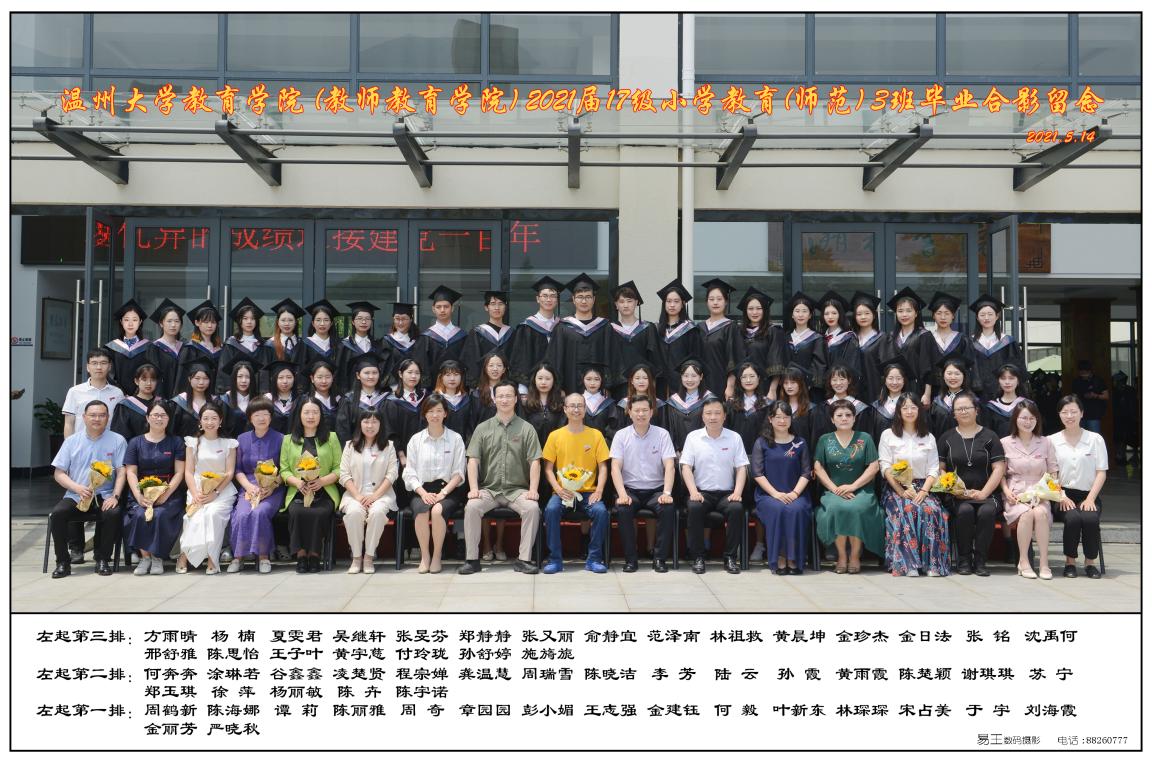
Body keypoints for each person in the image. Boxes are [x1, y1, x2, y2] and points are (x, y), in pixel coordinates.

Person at [457, 380, 542, 575]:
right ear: (494, 399)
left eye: (509, 396)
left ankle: (524, 559)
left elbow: (535, 462)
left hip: (517, 490)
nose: (504, 400)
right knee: (472, 507)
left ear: (516, 399)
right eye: (501, 396)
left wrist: (533, 490)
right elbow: (473, 460)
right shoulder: (483, 428)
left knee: (532, 508)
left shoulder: (526, 428)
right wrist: (474, 488)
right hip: (489, 489)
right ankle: (472, 560)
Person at [48, 400, 127, 578]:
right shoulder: (71, 442)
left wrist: (115, 496)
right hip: (76, 495)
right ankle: (63, 562)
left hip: (104, 494)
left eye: (101, 415)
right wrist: (76, 487)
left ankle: (102, 559)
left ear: (108, 417)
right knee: (58, 514)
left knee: (113, 513)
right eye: (93, 415)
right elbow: (59, 473)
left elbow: (122, 472)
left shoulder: (118, 440)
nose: (97, 419)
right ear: (84, 417)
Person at [540, 392, 612, 574]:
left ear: (585, 409)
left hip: (588, 492)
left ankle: (594, 558)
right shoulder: (555, 436)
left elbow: (603, 467)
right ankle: (555, 560)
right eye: (572, 406)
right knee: (551, 510)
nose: (576, 409)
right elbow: (548, 468)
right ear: (565, 409)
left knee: (601, 511)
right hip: (562, 492)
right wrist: (558, 489)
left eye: (580, 406)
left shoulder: (595, 435)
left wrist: (599, 491)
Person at [878, 393, 948, 577]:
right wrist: (901, 491)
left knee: (931, 510)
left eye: (913, 407)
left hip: (923, 486)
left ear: (919, 410)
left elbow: (933, 468)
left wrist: (924, 490)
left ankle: (933, 564)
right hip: (895, 487)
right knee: (908, 509)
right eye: (905, 408)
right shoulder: (888, 435)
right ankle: (907, 564)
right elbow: (885, 467)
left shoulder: (928, 437)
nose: (909, 411)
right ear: (898, 411)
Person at [937, 391, 1006, 577]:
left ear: (976, 410)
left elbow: (999, 468)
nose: (963, 412)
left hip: (987, 494)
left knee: (987, 511)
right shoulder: (946, 438)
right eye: (959, 409)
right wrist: (955, 489)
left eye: (967, 408)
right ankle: (964, 559)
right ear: (953, 414)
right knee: (965, 511)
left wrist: (983, 493)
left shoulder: (990, 436)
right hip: (957, 495)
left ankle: (981, 560)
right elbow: (940, 468)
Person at [812, 399, 884, 574]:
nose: (844, 418)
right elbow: (818, 467)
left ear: (854, 418)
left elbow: (874, 467)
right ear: (832, 419)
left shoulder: (864, 438)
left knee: (857, 508)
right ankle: (842, 556)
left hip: (861, 490)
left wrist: (853, 486)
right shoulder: (825, 440)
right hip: (833, 490)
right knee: (837, 508)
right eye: (839, 415)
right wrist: (834, 488)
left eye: (848, 415)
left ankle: (855, 556)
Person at [682, 397, 750, 574]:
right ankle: (698, 556)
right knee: (694, 508)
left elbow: (741, 468)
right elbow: (686, 467)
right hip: (701, 492)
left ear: (724, 416)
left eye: (717, 413)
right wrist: (693, 492)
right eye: (709, 413)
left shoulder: (734, 437)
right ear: (702, 416)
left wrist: (737, 492)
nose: (713, 417)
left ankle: (730, 557)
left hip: (726, 493)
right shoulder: (693, 437)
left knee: (736, 508)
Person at [611, 393, 677, 573]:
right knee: (623, 508)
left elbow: (670, 466)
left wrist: (667, 493)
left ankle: (660, 559)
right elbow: (615, 467)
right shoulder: (621, 435)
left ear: (651, 412)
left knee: (667, 508)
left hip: (656, 490)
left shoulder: (662, 434)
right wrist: (622, 494)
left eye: (644, 410)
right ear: (629, 412)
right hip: (630, 489)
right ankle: (631, 559)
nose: (641, 414)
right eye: (637, 410)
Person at [403, 394, 468, 574]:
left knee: (438, 511)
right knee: (422, 511)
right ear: (424, 414)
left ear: (445, 413)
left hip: (448, 490)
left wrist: (443, 494)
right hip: (422, 490)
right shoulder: (416, 440)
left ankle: (437, 555)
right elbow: (409, 472)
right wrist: (423, 493)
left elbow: (459, 473)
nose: (435, 415)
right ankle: (425, 556)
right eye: (430, 411)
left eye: (439, 411)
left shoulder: (455, 439)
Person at [280, 397, 343, 574]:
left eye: (315, 412)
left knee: (319, 513)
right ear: (299, 415)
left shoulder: (331, 438)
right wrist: (298, 482)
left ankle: (315, 555)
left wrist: (322, 481)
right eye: (306, 412)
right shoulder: (288, 440)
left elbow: (339, 468)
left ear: (321, 415)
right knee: (296, 512)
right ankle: (301, 555)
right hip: (298, 491)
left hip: (324, 491)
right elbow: (284, 470)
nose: (311, 416)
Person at [123, 399, 185, 576]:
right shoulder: (135, 443)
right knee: (139, 514)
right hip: (141, 492)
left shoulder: (176, 442)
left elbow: (179, 472)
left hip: (169, 493)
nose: (159, 418)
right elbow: (131, 472)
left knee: (160, 514)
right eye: (155, 415)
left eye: (163, 415)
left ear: (169, 419)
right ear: (147, 417)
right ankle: (145, 558)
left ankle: (157, 557)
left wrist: (166, 494)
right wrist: (138, 495)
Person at [1051, 395, 1109, 579]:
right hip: (1062, 494)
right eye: (1065, 412)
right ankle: (1070, 562)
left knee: (1090, 519)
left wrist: (1091, 498)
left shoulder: (1095, 439)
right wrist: (1061, 496)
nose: (1069, 416)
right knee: (1073, 518)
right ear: (1059, 414)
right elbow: (1051, 475)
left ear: (1082, 413)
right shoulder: (1051, 440)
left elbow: (1101, 472)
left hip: (1088, 494)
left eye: (1073, 412)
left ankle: (1090, 563)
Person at [751, 400, 812, 575]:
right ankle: (779, 557)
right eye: (778, 417)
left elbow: (806, 472)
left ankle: (794, 558)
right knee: (778, 509)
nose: (782, 421)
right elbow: (757, 473)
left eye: (786, 417)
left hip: (796, 494)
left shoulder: (800, 443)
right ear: (770, 419)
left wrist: (795, 493)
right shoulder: (762, 443)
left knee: (795, 510)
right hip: (768, 495)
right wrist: (776, 494)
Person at [1000, 401, 1059, 580]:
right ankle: (1023, 561)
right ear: (1015, 419)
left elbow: (1053, 472)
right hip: (1015, 493)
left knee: (1040, 513)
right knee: (1026, 514)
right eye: (1023, 418)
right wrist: (1006, 491)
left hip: (1040, 492)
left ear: (1037, 420)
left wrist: (1046, 492)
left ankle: (1044, 563)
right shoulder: (1005, 443)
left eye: (1032, 418)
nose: (1028, 422)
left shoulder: (1046, 442)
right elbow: (1000, 473)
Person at [177, 402, 237, 576]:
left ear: (220, 421)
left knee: (212, 514)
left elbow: (229, 472)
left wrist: (216, 493)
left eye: (214, 418)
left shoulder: (229, 444)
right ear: (200, 421)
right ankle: (184, 555)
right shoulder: (193, 442)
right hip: (197, 489)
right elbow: (188, 472)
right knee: (194, 517)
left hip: (222, 491)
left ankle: (212, 557)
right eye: (206, 418)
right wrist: (195, 493)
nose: (210, 422)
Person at [227, 400, 286, 574]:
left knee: (260, 513)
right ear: (250, 418)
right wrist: (248, 486)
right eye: (257, 415)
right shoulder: (242, 439)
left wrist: (272, 486)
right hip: (249, 486)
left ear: (271, 417)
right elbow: (238, 469)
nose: (261, 418)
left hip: (273, 488)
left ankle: (263, 556)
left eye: (265, 414)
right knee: (241, 514)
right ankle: (238, 556)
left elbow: (285, 469)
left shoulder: (281, 439)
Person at [338, 409, 399, 574]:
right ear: (360, 424)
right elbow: (344, 475)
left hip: (381, 495)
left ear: (380, 424)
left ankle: (369, 557)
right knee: (353, 513)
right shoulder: (350, 446)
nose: (370, 426)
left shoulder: (388, 446)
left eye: (374, 422)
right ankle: (356, 557)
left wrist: (374, 496)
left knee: (377, 513)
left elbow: (392, 474)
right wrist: (358, 496)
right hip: (355, 495)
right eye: (366, 421)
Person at [727, 361, 770, 563]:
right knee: (736, 504)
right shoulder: (731, 404)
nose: (748, 380)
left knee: (758, 503)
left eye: (752, 376)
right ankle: (735, 545)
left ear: (759, 379)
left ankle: (760, 544)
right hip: (734, 462)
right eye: (744, 376)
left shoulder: (767, 405)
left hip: (760, 461)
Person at [546, 273, 614, 396]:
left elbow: (611, 357)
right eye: (580, 297)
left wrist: (608, 385)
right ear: (573, 299)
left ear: (594, 299)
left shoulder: (604, 327)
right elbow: (555, 360)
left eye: (588, 297)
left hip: (599, 391)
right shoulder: (562, 327)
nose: (584, 301)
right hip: (569, 388)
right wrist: (559, 387)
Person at [507, 276, 562, 392]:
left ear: (557, 300)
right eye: (545, 296)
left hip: (558, 388)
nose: (549, 299)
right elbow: (521, 360)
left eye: (553, 296)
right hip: (532, 388)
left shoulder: (562, 327)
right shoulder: (527, 327)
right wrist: (523, 388)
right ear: (537, 299)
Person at [608, 280, 661, 399]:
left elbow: (654, 358)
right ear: (616, 305)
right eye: (621, 301)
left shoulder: (648, 328)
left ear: (636, 303)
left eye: (629, 301)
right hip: (618, 384)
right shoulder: (610, 329)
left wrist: (650, 381)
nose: (625, 305)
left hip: (643, 384)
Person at [920, 292, 972, 407]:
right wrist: (927, 394)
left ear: (953, 315)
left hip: (958, 390)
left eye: (947, 313)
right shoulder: (927, 337)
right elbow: (925, 367)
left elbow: (967, 369)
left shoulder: (962, 339)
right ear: (933, 316)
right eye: (939, 313)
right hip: (934, 390)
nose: (943, 317)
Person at [968, 294, 1025, 400]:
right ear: (977, 317)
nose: (986, 318)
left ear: (997, 316)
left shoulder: (1007, 342)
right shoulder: (970, 342)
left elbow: (1017, 368)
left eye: (990, 314)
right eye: (982, 314)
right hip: (976, 395)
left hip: (1003, 394)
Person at [876, 287, 928, 398]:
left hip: (917, 388)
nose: (904, 315)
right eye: (900, 311)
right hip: (894, 388)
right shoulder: (890, 337)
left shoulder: (924, 335)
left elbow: (927, 367)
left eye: (909, 311)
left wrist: (927, 394)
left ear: (916, 313)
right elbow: (886, 367)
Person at [413, 285, 468, 389]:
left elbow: (466, 364)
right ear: (433, 309)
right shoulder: (425, 337)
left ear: (452, 308)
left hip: (458, 389)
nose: (442, 310)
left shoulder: (462, 336)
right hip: (433, 389)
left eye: (446, 306)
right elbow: (422, 365)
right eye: (438, 307)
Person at [62, 349, 125, 439]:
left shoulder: (117, 393)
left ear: (109, 366)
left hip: (108, 443)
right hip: (81, 444)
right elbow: (69, 423)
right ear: (88, 367)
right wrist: (69, 445)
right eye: (94, 363)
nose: (99, 367)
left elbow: (120, 423)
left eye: (103, 363)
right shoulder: (75, 391)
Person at [654, 280, 701, 397]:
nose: (672, 305)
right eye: (668, 301)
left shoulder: (690, 329)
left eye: (676, 301)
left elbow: (696, 357)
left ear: (683, 303)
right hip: (659, 384)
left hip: (683, 383)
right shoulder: (656, 329)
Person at [697, 277, 742, 400]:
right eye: (711, 299)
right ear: (706, 302)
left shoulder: (731, 327)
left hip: (722, 383)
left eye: (719, 299)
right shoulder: (700, 327)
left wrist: (730, 386)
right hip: (700, 384)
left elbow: (734, 358)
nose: (715, 302)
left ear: (726, 302)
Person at [737, 286, 785, 398]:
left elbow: (776, 362)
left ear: (765, 310)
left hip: (764, 386)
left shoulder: (773, 331)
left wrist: (772, 390)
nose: (754, 312)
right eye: (750, 308)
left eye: (759, 308)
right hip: (740, 386)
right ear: (745, 311)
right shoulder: (738, 331)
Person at [460, 290, 513, 389]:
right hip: (483, 387)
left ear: (505, 306)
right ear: (486, 307)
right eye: (493, 304)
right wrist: (476, 385)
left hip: (507, 387)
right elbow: (471, 361)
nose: (497, 307)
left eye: (501, 304)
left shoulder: (512, 333)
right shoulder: (477, 333)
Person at [335, 352, 390, 446]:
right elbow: (343, 431)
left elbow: (390, 429)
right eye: (366, 373)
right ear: (358, 375)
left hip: (382, 449)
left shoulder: (386, 399)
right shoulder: (348, 400)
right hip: (356, 449)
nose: (371, 376)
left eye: (375, 373)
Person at [104, 298, 156, 397]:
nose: (130, 324)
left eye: (135, 320)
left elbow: (151, 372)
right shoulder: (112, 348)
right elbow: (110, 374)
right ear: (121, 321)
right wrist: (122, 393)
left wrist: (138, 394)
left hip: (143, 396)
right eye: (126, 319)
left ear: (140, 322)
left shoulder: (149, 347)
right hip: (117, 396)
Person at [810, 365, 871, 444]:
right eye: (834, 380)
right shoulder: (822, 409)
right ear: (830, 382)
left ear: (849, 381)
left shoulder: (860, 408)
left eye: (842, 379)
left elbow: (863, 436)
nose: (838, 383)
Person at [663, 359, 714, 455]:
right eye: (686, 376)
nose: (689, 380)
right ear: (681, 377)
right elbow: (670, 427)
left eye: (694, 376)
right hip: (679, 454)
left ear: (701, 377)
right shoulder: (674, 401)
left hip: (704, 452)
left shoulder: (710, 400)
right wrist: (675, 449)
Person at [782, 291, 827, 400]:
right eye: (797, 311)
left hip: (809, 389)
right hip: (788, 387)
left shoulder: (817, 338)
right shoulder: (785, 337)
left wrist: (807, 383)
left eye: (804, 311)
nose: (800, 315)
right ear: (792, 315)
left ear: (810, 315)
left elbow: (819, 365)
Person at [215, 298, 265, 394]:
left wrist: (264, 392)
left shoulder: (262, 346)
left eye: (253, 318)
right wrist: (228, 392)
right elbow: (224, 371)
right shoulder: (231, 344)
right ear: (239, 321)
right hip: (235, 394)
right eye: (245, 318)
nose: (249, 322)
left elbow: (265, 372)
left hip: (257, 394)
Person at [175, 300, 223, 395]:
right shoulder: (190, 348)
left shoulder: (220, 349)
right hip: (196, 396)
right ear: (197, 323)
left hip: (216, 394)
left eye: (213, 322)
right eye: (206, 322)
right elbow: (182, 377)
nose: (210, 326)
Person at [258, 298, 304, 393]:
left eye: (290, 320)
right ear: (278, 322)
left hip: (299, 392)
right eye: (283, 320)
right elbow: (264, 371)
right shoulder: (270, 345)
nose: (287, 324)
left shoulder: (303, 344)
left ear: (296, 322)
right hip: (275, 393)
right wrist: (266, 393)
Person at [337, 301, 383, 394]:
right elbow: (340, 373)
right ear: (353, 321)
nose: (364, 322)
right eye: (359, 318)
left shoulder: (377, 345)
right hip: (351, 392)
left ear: (371, 321)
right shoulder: (344, 345)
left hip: (373, 393)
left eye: (367, 319)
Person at [296, 299, 341, 392]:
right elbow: (302, 371)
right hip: (311, 391)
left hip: (334, 391)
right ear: (313, 323)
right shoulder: (306, 343)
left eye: (326, 320)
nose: (322, 324)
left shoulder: (339, 345)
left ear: (331, 323)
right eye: (318, 320)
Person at [865, 356, 911, 445]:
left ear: (904, 380)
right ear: (885, 381)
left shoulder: (912, 405)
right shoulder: (876, 407)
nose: (894, 382)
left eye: (898, 378)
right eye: (890, 378)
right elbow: (871, 435)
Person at [110, 363, 160, 442]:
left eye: (153, 380)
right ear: (136, 381)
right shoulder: (125, 406)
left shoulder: (162, 404)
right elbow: (119, 436)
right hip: (133, 448)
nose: (149, 383)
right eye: (144, 379)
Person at [850, 291, 885, 405]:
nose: (863, 317)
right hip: (853, 392)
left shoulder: (883, 338)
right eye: (859, 314)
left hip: (875, 390)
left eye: (867, 313)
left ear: (874, 315)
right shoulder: (850, 338)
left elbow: (887, 368)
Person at [432, 359, 476, 446]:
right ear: (441, 377)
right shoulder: (434, 399)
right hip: (438, 446)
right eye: (448, 375)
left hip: (463, 447)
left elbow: (470, 426)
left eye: (456, 375)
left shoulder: (467, 399)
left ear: (461, 377)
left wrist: (467, 446)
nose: (452, 379)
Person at [171, 356, 218, 438]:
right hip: (184, 445)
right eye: (197, 378)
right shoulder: (179, 402)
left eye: (205, 378)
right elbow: (172, 430)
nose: (201, 382)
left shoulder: (216, 402)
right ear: (189, 379)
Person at [818, 291, 861, 380]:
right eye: (826, 314)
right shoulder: (819, 338)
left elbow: (852, 366)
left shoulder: (849, 338)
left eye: (834, 313)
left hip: (841, 384)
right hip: (822, 385)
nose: (830, 317)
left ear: (840, 314)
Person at [980, 363, 1030, 438]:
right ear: (998, 381)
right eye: (1003, 378)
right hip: (997, 445)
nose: (1007, 382)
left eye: (1011, 378)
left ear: (1018, 381)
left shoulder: (1028, 405)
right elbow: (987, 434)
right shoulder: (991, 407)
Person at [149, 298, 186, 399]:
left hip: (183, 398)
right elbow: (154, 375)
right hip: (162, 397)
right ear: (161, 323)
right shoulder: (155, 347)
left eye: (177, 321)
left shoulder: (185, 348)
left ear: (181, 325)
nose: (173, 325)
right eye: (169, 321)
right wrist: (159, 398)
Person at [927, 357, 972, 438]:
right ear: (943, 376)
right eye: (949, 373)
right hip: (941, 444)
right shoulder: (937, 402)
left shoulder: (972, 401)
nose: (953, 377)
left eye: (957, 374)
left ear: (964, 376)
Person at [578, 361, 617, 443]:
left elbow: (613, 427)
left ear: (601, 380)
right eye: (588, 379)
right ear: (583, 380)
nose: (592, 383)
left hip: (602, 444)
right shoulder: (577, 401)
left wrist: (604, 442)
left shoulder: (608, 403)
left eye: (596, 379)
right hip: (579, 443)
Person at [218, 359, 258, 437]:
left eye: (247, 377)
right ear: (233, 378)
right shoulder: (224, 400)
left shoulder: (259, 400)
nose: (244, 380)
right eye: (239, 376)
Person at [380, 302, 419, 384]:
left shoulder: (419, 341)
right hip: (393, 386)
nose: (400, 323)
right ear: (393, 319)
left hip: (415, 384)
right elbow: (384, 367)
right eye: (397, 319)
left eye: (404, 319)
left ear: (411, 319)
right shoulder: (387, 341)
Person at [1070, 360, 1109, 435]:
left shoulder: (1098, 381)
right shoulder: (1077, 381)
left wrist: (1095, 395)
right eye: (1081, 373)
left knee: (1094, 437)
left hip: (1094, 415)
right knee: (1080, 437)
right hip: (1080, 415)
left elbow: (1106, 396)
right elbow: (1073, 397)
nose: (1083, 375)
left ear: (1090, 371)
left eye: (1085, 373)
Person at [304, 359, 341, 435]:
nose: (324, 381)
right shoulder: (304, 400)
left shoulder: (341, 400)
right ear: (312, 379)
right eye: (319, 377)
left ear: (333, 378)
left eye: (328, 377)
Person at [1111, 371, 1139, 465]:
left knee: (1125, 438)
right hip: (1121, 417)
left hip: (1125, 417)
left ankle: (1122, 456)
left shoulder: (1127, 390)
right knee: (1121, 438)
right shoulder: (1116, 390)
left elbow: (1133, 404)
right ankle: (1120, 456)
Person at [264, 359, 298, 435]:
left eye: (289, 377)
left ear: (294, 378)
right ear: (273, 379)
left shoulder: (301, 400)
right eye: (280, 377)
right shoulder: (266, 399)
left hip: (294, 440)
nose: (285, 381)